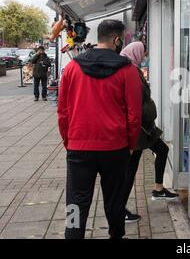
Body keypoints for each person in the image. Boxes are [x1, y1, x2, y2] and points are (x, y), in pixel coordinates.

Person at [57, 20, 142, 239]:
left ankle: (72, 235)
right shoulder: (128, 70)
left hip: (79, 147)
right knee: (115, 200)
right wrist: (130, 145)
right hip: (115, 148)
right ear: (116, 39)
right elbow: (134, 114)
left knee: (75, 202)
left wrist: (69, 142)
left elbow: (63, 111)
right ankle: (116, 234)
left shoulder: (73, 68)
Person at [120, 41, 178, 224]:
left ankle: (158, 189)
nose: (145, 56)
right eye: (143, 53)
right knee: (130, 170)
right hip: (138, 128)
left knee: (161, 150)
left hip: (144, 127)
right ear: (135, 53)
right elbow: (133, 102)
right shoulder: (130, 72)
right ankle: (119, 209)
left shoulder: (132, 69)